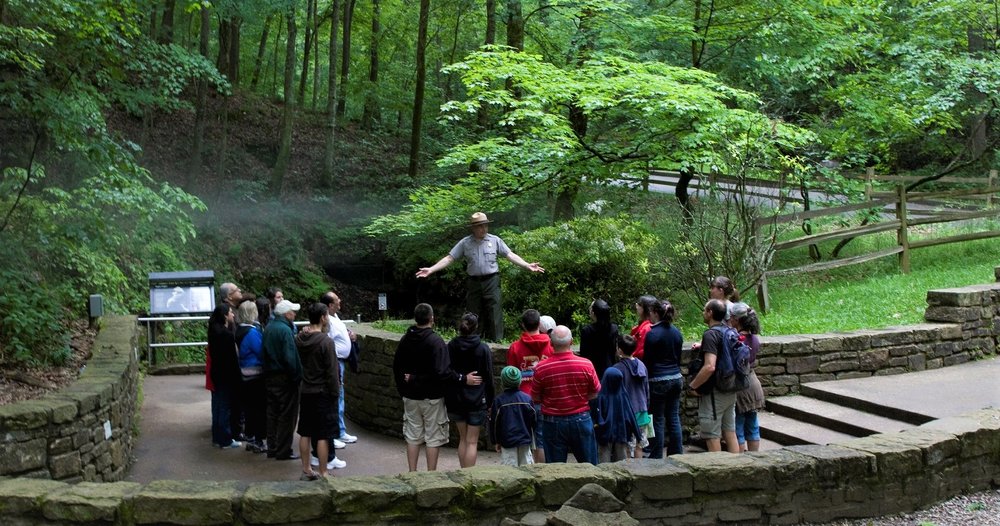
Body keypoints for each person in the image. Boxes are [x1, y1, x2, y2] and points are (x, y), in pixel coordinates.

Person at [415, 212, 545, 341]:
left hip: (492, 281)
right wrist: (431, 269)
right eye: (480, 226)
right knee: (473, 313)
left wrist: (526, 265)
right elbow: (450, 258)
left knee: (494, 311)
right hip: (473, 282)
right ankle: (472, 340)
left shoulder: (495, 240)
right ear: (473, 228)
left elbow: (510, 255)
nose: (484, 228)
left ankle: (497, 341)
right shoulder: (465, 243)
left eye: (485, 225)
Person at [392, 303, 479, 471]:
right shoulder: (436, 341)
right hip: (432, 398)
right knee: (433, 438)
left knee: (412, 436)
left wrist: (404, 389)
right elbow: (443, 372)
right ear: (432, 318)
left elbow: (397, 367)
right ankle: (431, 474)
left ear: (415, 318)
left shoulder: (405, 339)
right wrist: (462, 378)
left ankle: (412, 473)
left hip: (410, 396)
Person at [532, 325, 601, 465]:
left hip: (552, 421)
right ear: (571, 341)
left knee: (556, 469)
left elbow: (536, 398)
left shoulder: (541, 368)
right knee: (589, 465)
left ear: (551, 343)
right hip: (581, 418)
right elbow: (595, 392)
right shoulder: (586, 365)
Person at [294, 303, 341, 480]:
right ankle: (323, 471)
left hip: (305, 390)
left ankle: (306, 469)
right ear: (322, 317)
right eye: (327, 315)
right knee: (322, 434)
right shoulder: (326, 342)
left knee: (305, 431)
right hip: (322, 392)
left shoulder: (300, 339)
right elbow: (332, 371)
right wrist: (335, 392)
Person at [688, 299, 740, 453]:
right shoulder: (730, 332)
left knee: (712, 436)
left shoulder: (711, 335)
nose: (703, 313)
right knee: (730, 433)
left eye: (705, 310)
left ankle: (718, 467)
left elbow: (710, 366)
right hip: (730, 388)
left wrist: (693, 386)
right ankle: (738, 465)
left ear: (710, 313)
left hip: (715, 393)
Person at [445, 313, 495, 468]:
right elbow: (489, 377)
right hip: (477, 400)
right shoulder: (483, 348)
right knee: (472, 441)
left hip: (457, 399)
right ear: (476, 327)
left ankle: (463, 471)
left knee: (463, 439)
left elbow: (446, 371)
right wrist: (490, 402)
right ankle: (469, 475)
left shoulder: (451, 346)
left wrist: (461, 378)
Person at [506, 309, 553, 463]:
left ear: (523, 325)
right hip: (544, 398)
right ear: (539, 324)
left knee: (523, 440)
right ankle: (541, 473)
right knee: (541, 440)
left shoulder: (515, 347)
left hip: (521, 399)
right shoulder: (551, 346)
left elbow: (511, 374)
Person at [642, 300, 685, 457]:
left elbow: (648, 360)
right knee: (673, 417)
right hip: (676, 377)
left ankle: (656, 455)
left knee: (657, 419)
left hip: (658, 379)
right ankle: (676, 453)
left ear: (656, 313)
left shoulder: (652, 334)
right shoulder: (676, 332)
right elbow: (678, 357)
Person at [262, 299, 303, 460]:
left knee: (272, 413)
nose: (295, 314)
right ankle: (283, 450)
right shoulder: (285, 330)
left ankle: (272, 447)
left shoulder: (269, 327)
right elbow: (290, 358)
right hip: (284, 379)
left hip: (270, 376)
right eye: (293, 311)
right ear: (286, 314)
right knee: (287, 415)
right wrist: (297, 377)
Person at [320, 291, 357, 449]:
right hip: (334, 363)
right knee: (335, 397)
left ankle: (340, 431)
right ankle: (334, 434)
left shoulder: (335, 317)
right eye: (337, 300)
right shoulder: (326, 321)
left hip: (340, 362)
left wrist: (350, 336)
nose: (340, 301)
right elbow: (327, 341)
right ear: (330, 305)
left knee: (340, 397)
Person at [730, 302, 765, 452]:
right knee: (752, 425)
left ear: (737, 320)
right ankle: (755, 457)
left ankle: (741, 460)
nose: (730, 319)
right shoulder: (754, 339)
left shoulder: (736, 339)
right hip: (753, 384)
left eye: (732, 317)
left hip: (740, 387)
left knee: (738, 427)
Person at [235, 300, 267, 453]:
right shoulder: (252, 333)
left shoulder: (238, 330)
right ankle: (258, 441)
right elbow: (261, 352)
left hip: (242, 373)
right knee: (258, 409)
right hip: (255, 374)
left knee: (248, 408)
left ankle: (250, 437)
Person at [208, 304, 241, 449]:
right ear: (225, 316)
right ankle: (225, 439)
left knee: (217, 406)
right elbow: (232, 359)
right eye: (230, 313)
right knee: (224, 407)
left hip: (216, 372)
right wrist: (237, 377)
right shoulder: (226, 335)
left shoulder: (213, 331)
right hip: (226, 375)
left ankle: (217, 437)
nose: (233, 314)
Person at [489, 366, 537, 467]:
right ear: (519, 381)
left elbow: (494, 423)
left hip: (507, 441)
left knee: (509, 467)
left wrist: (496, 441)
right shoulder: (527, 399)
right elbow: (534, 420)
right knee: (526, 467)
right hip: (524, 440)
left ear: (503, 382)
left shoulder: (499, 401)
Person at [613, 334, 650, 459]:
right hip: (642, 411)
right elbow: (646, 389)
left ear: (619, 350)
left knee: (627, 448)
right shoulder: (642, 365)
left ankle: (629, 470)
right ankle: (639, 469)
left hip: (626, 414)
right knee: (639, 445)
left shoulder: (617, 369)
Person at [592, 367, 640, 463]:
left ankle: (604, 473)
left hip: (604, 432)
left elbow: (595, 414)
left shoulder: (600, 395)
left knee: (603, 457)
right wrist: (637, 434)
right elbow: (631, 415)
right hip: (621, 432)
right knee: (621, 458)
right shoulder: (623, 395)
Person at [579, 299, 619, 379]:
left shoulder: (587, 330)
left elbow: (584, 353)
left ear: (593, 313)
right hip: (609, 367)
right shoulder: (614, 328)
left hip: (592, 369)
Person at [630, 295, 657, 360]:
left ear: (644, 309)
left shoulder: (647, 328)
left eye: (639, 305)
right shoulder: (646, 324)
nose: (636, 306)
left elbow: (640, 352)